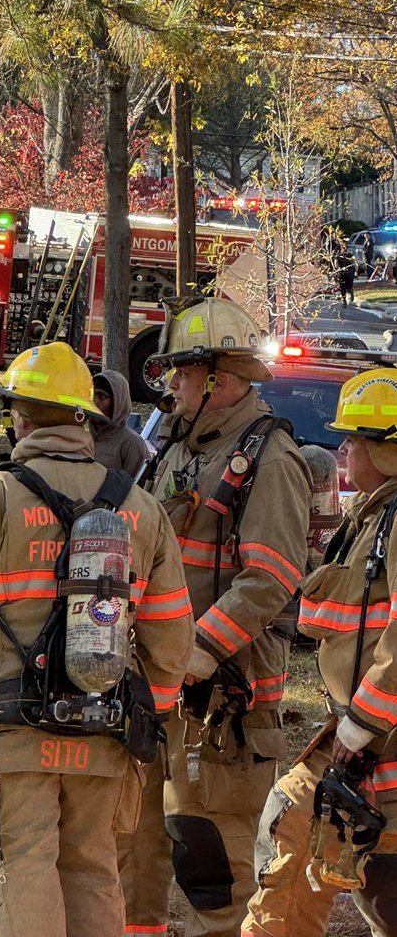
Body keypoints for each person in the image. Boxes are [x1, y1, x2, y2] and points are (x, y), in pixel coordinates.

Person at [0, 341, 194, 937]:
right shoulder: (141, 509)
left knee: (27, 864)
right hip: (107, 733)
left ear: (19, 415)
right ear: (83, 419)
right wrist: (151, 718)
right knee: (94, 869)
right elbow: (172, 631)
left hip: (12, 732)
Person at [118, 296, 311, 937]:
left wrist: (198, 648)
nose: (170, 384)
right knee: (136, 841)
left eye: (182, 373)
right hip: (156, 686)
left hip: (224, 699)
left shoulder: (269, 460)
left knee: (212, 861)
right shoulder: (179, 447)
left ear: (219, 382)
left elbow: (272, 577)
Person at [243, 369, 397, 937]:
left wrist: (361, 725)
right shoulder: (374, 518)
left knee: (378, 892)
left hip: (376, 740)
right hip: (358, 736)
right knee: (295, 837)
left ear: (386, 448)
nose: (343, 449)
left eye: (354, 439)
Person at [90, 369, 151, 476]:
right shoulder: (81, 436)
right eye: (92, 395)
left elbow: (139, 488)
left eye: (102, 396)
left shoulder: (131, 444)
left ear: (118, 403)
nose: (95, 402)